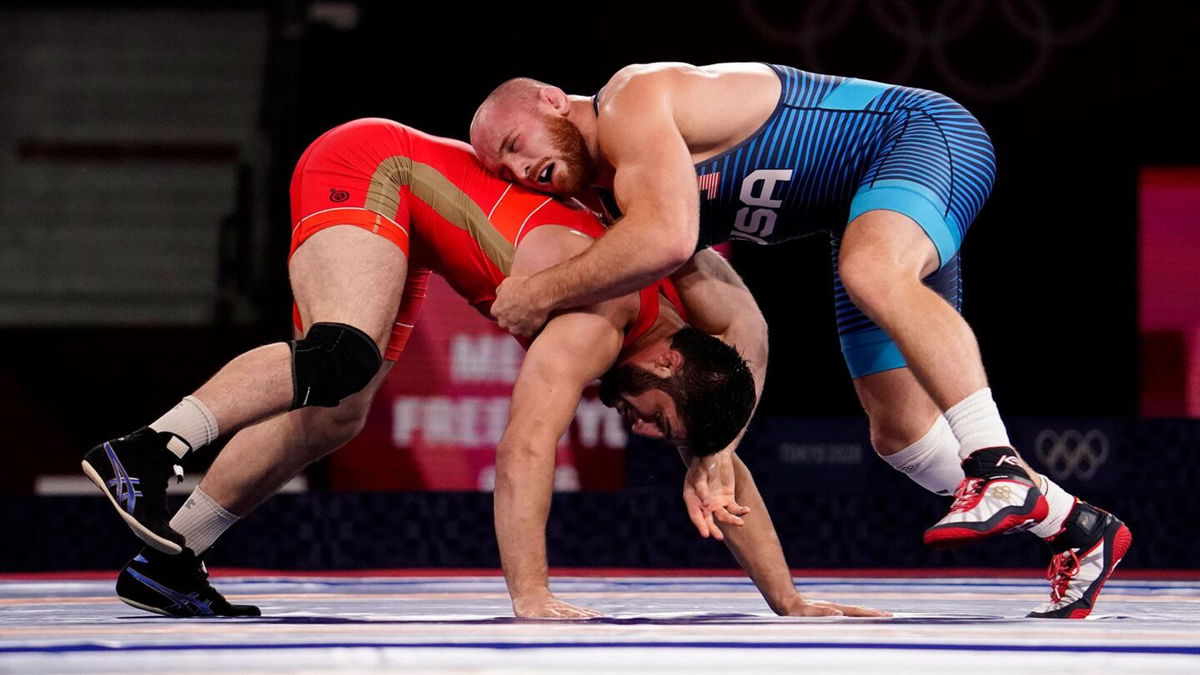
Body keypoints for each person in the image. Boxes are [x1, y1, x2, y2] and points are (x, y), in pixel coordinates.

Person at [87, 118, 885, 620]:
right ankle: (148, 449)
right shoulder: (599, 323)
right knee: (339, 356)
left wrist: (789, 601)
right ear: (670, 360)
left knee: (337, 410)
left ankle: (169, 558)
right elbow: (523, 452)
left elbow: (732, 402)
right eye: (655, 419)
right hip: (375, 163)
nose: (634, 426)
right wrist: (530, 596)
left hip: (419, 226)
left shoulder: (688, 330)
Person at [469, 63, 1130, 619]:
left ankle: (998, 465)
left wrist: (543, 289)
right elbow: (744, 324)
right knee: (899, 432)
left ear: (553, 101)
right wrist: (717, 448)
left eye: (516, 143)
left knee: (872, 271)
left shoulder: (629, 101)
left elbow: (670, 238)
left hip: (922, 133)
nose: (520, 168)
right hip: (865, 203)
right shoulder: (622, 206)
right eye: (505, 169)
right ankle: (1077, 526)